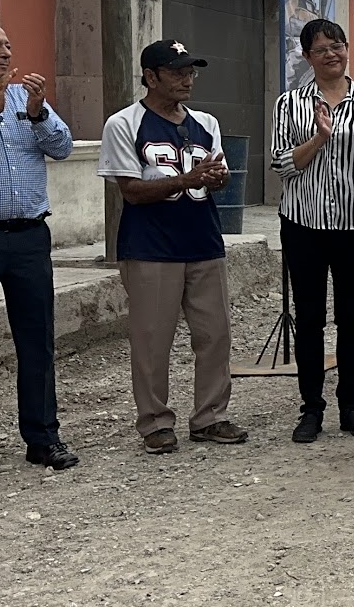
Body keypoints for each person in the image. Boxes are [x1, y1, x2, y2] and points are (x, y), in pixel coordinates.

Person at [98, 39, 247, 455]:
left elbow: (218, 175)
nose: (187, 79)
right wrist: (187, 179)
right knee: (151, 340)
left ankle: (210, 416)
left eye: (190, 71)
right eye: (177, 71)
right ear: (151, 77)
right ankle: (155, 422)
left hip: (203, 239)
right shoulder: (124, 124)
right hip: (150, 246)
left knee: (215, 335)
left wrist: (217, 179)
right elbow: (131, 191)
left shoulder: (205, 122)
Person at [270, 18, 354, 443]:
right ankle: (311, 408)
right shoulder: (290, 104)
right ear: (308, 57)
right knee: (310, 318)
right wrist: (320, 138)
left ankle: (350, 405)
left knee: (352, 317)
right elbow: (283, 165)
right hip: (304, 222)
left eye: (338, 46)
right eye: (321, 49)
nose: (332, 54)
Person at [0, 23, 78, 469]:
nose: (6, 53)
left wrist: (39, 111)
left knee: (37, 341)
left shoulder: (25, 102)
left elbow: (63, 148)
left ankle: (43, 439)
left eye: (8, 45)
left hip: (29, 237)